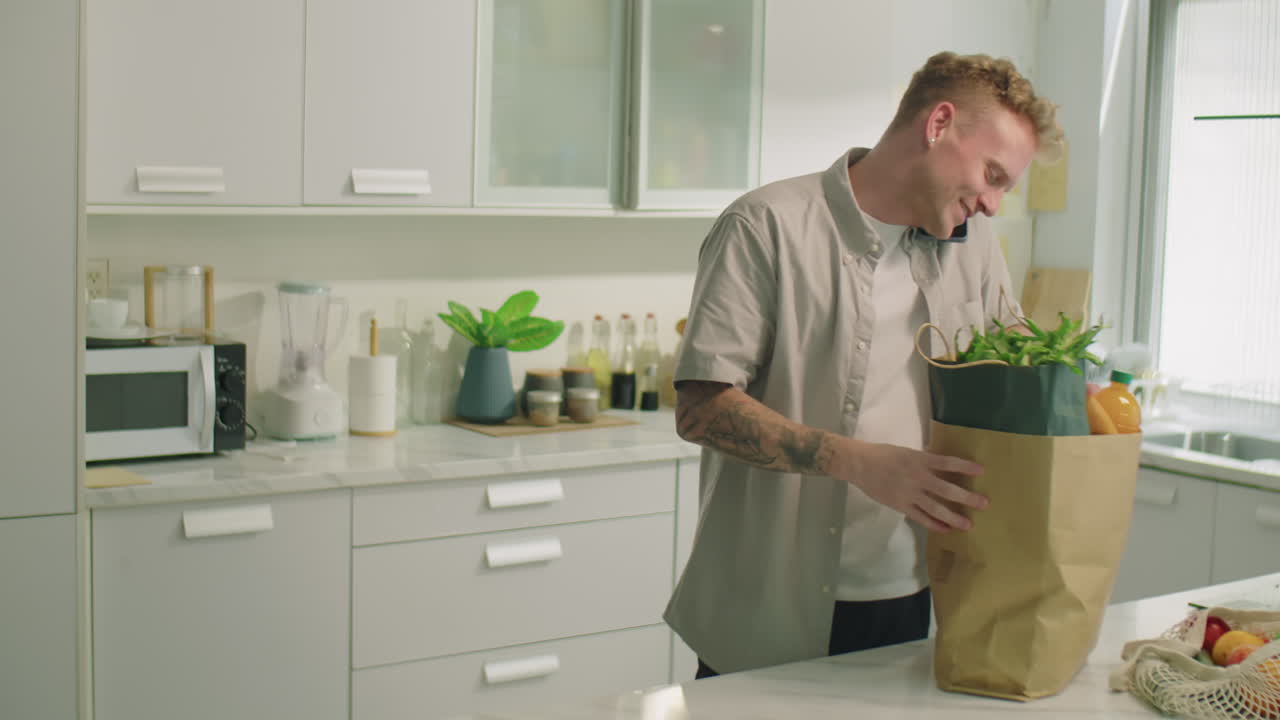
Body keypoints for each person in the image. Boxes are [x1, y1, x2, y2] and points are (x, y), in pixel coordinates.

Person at [665, 51, 1065, 679]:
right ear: (938, 124)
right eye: (992, 175)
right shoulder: (766, 226)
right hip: (768, 603)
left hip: (913, 594)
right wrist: (861, 463)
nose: (991, 204)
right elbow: (701, 410)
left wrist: (1074, 398)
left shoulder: (975, 247)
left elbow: (1002, 381)